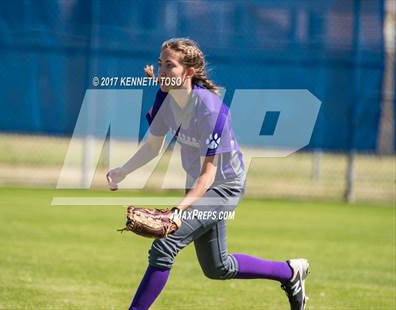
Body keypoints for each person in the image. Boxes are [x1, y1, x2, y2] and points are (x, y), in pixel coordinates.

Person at [106, 38, 310, 310]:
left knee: (165, 246)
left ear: (189, 72)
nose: (163, 71)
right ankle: (290, 273)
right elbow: (153, 146)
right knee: (218, 267)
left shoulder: (211, 110)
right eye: (161, 64)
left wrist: (177, 211)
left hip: (224, 188)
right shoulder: (164, 98)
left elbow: (208, 177)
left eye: (170, 66)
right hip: (200, 187)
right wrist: (122, 171)